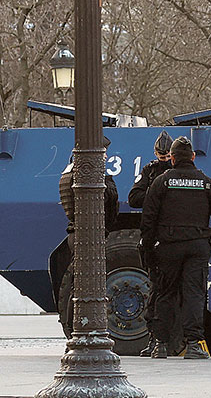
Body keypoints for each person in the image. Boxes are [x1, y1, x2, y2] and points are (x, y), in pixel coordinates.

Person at [141, 136, 211, 359]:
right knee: (194, 295)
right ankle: (193, 344)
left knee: (164, 293)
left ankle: (160, 345)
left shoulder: (161, 182)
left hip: (168, 247)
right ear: (192, 157)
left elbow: (148, 219)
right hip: (197, 247)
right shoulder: (207, 183)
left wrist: (149, 250)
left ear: (171, 159)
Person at [57, 135, 119, 338]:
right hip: (87, 234)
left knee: (78, 284)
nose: (105, 157)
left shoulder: (69, 172)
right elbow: (109, 203)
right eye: (103, 153)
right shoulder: (88, 173)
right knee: (83, 286)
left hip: (76, 232)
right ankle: (76, 328)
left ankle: (73, 327)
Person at [128, 130, 174, 357]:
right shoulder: (150, 170)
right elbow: (134, 198)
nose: (164, 158)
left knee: (161, 292)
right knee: (158, 290)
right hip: (158, 233)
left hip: (166, 234)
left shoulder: (175, 172)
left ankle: (165, 339)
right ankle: (158, 339)